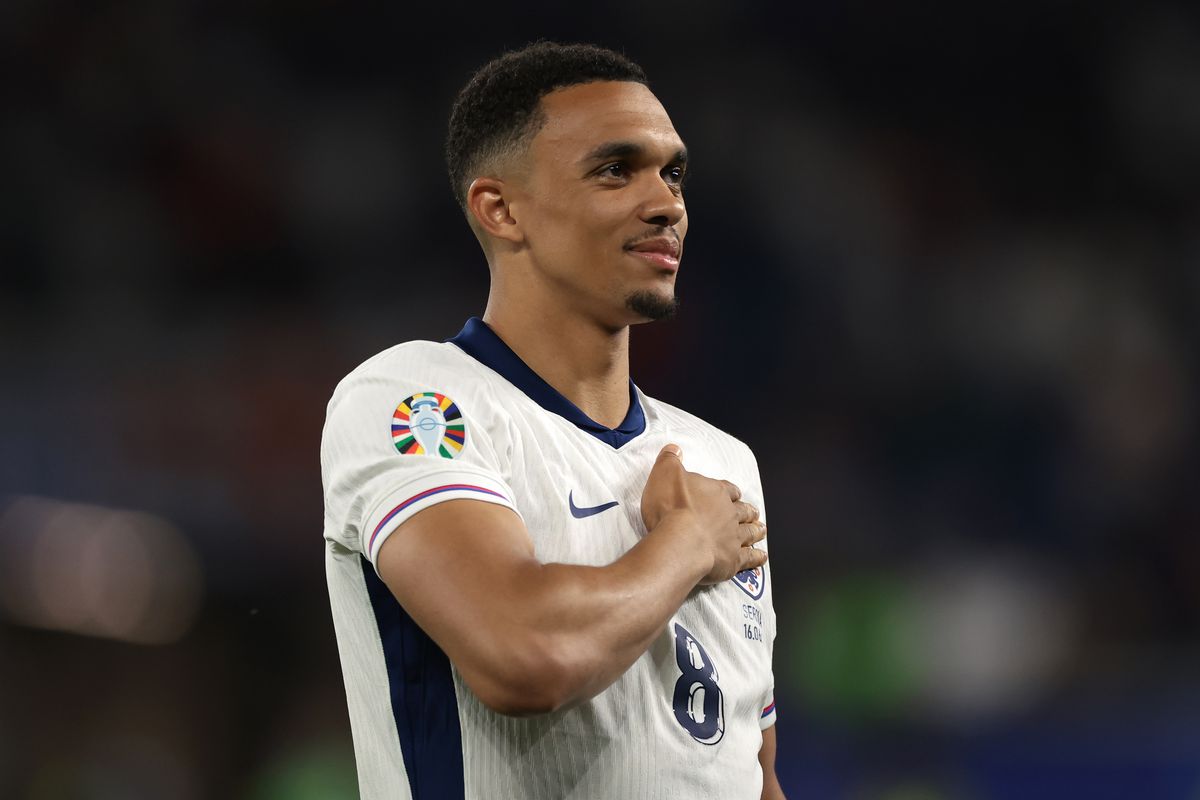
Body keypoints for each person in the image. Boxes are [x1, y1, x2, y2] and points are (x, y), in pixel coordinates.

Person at [321, 41, 784, 800]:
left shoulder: (723, 462)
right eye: (616, 170)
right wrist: (686, 544)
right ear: (501, 210)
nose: (666, 202)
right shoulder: (415, 399)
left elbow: (752, 772)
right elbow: (525, 657)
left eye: (672, 173)